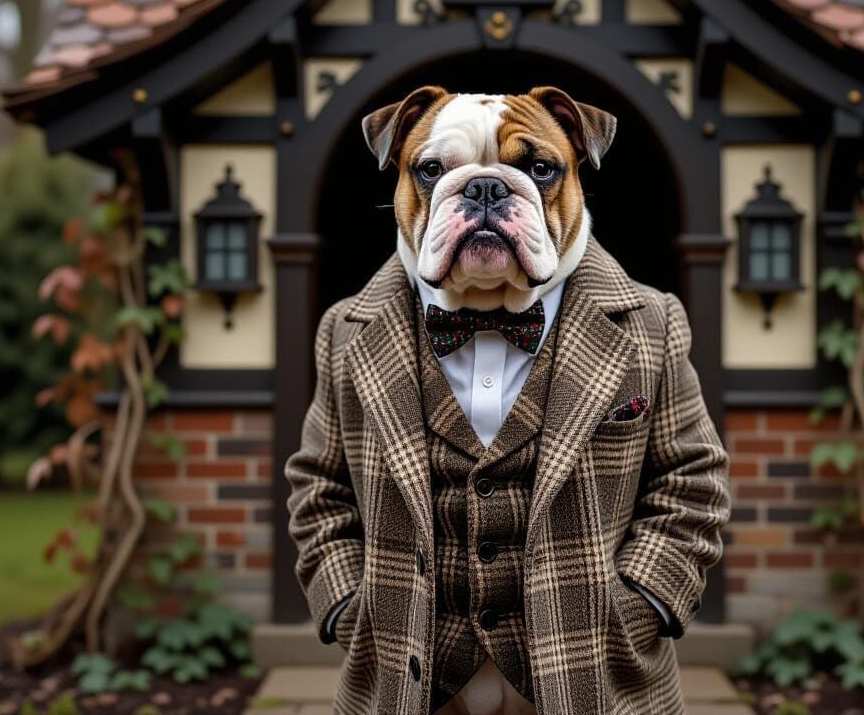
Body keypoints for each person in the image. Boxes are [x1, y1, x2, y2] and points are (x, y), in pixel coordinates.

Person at [286, 85, 731, 715]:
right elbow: (317, 487)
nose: (487, 195)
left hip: (594, 679)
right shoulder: (346, 331)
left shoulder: (650, 325)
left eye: (537, 170)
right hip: (404, 682)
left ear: (580, 166)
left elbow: (693, 480)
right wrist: (347, 607)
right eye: (437, 170)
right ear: (400, 175)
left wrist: (639, 606)